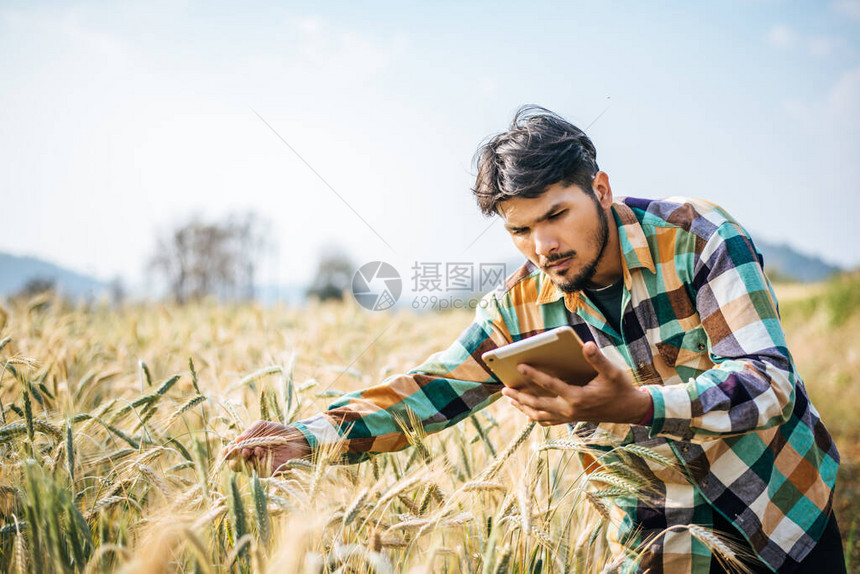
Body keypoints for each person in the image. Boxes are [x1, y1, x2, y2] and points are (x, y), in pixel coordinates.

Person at [224, 106, 844, 573]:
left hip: (779, 510)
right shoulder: (519, 305)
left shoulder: (700, 237)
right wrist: (306, 437)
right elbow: (432, 390)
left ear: (599, 189)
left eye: (555, 216)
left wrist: (638, 406)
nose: (541, 246)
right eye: (519, 229)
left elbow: (768, 382)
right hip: (659, 541)